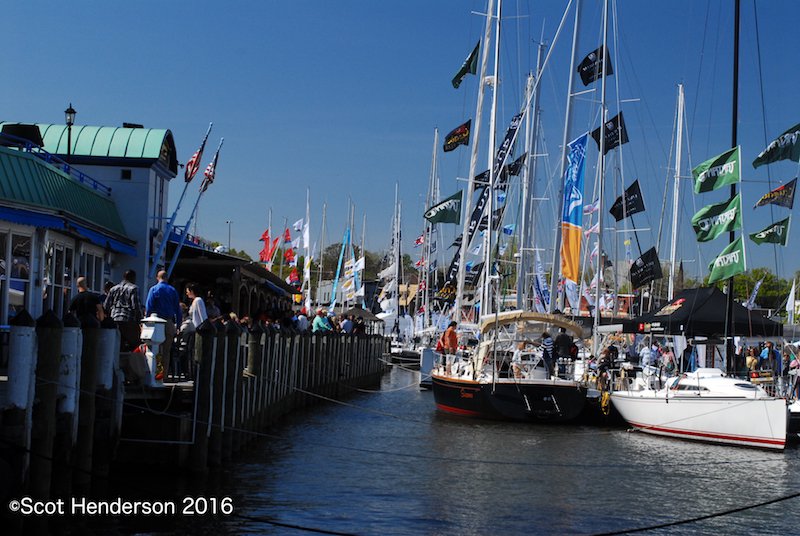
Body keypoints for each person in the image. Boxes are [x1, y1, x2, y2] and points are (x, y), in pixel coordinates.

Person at [145, 270, 182, 382]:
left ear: (157, 277)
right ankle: (163, 376)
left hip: (156, 323)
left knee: (156, 350)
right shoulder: (173, 290)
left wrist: (146, 322)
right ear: (167, 278)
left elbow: (149, 307)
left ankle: (156, 375)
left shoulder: (154, 289)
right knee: (166, 351)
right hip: (169, 322)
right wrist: (178, 324)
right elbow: (178, 310)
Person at [105, 269, 143, 351]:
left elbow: (106, 306)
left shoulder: (113, 289)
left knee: (117, 343)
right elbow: (136, 306)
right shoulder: (134, 288)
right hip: (128, 319)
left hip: (114, 318)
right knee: (135, 343)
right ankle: (129, 361)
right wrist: (140, 321)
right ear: (133, 278)